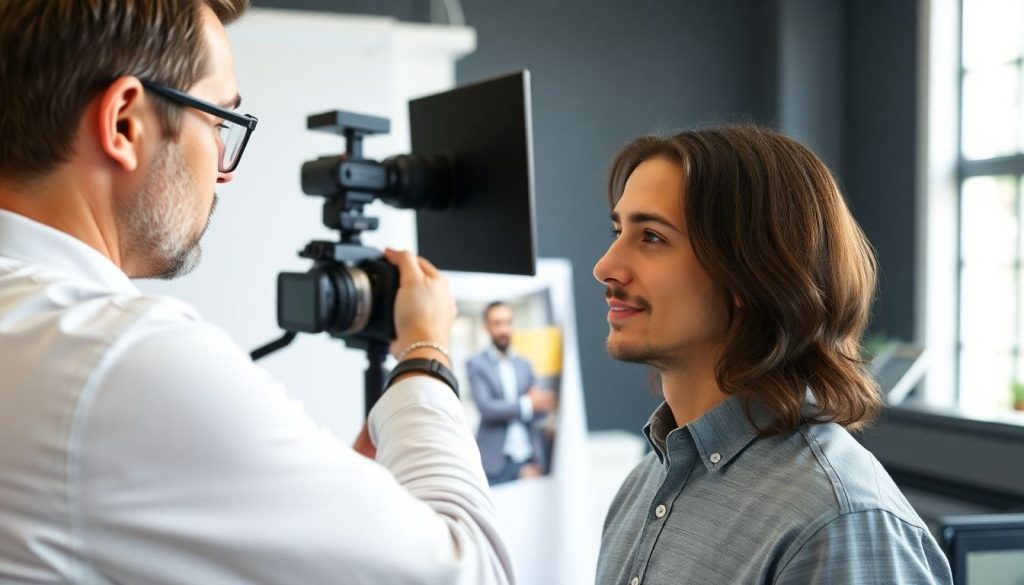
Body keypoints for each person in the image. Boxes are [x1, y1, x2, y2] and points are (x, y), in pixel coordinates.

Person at [0, 2, 513, 584]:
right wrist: (425, 357)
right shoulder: (124, 359)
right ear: (125, 123)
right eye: (219, 121)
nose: (225, 169)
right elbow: (476, 573)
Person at [592, 127, 953, 584]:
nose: (605, 266)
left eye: (651, 237)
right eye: (617, 230)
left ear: (751, 271)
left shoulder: (836, 523)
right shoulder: (644, 485)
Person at [467, 301, 555, 485]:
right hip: (494, 462)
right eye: (497, 323)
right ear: (486, 327)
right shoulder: (476, 364)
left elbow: (540, 409)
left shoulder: (525, 364)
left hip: (528, 458)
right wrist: (527, 404)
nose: (504, 329)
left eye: (508, 322)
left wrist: (539, 404)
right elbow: (486, 407)